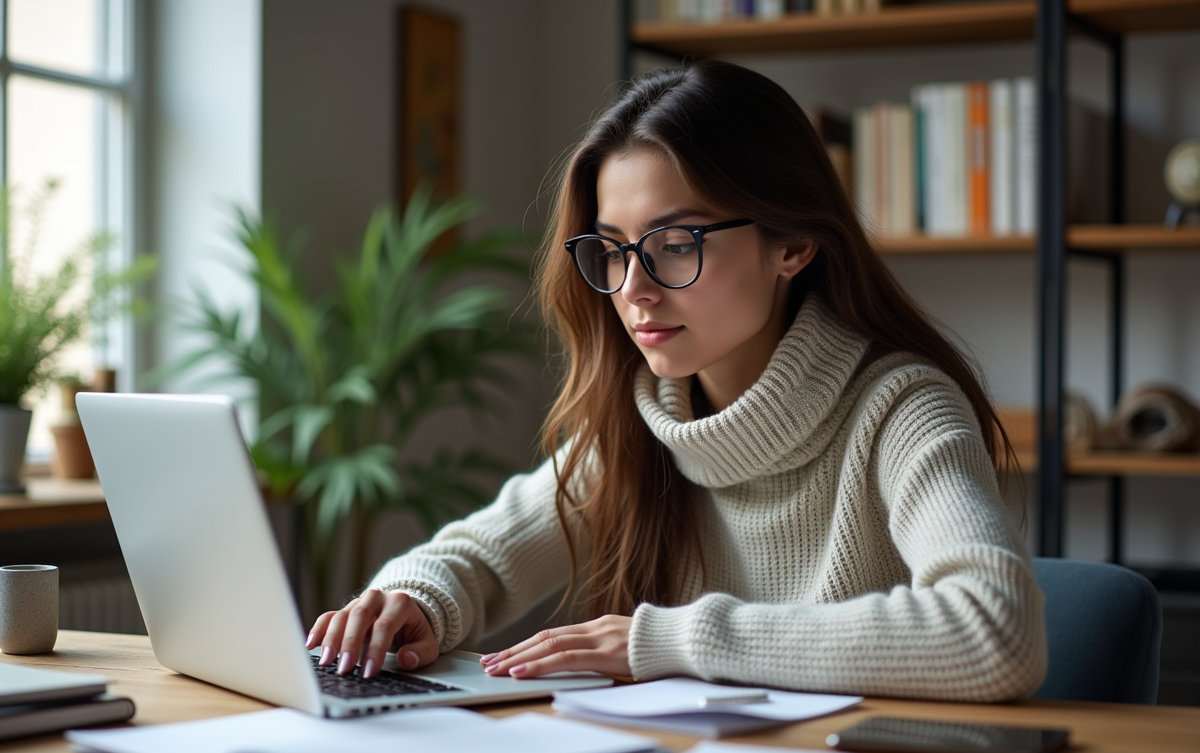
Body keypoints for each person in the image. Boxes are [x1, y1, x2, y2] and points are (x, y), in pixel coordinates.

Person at [306, 60, 1047, 702]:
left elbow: (993, 629)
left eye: (674, 244)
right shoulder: (648, 417)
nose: (635, 289)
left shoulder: (902, 411)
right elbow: (480, 555)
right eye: (616, 251)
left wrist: (672, 639)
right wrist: (412, 600)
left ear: (792, 243)